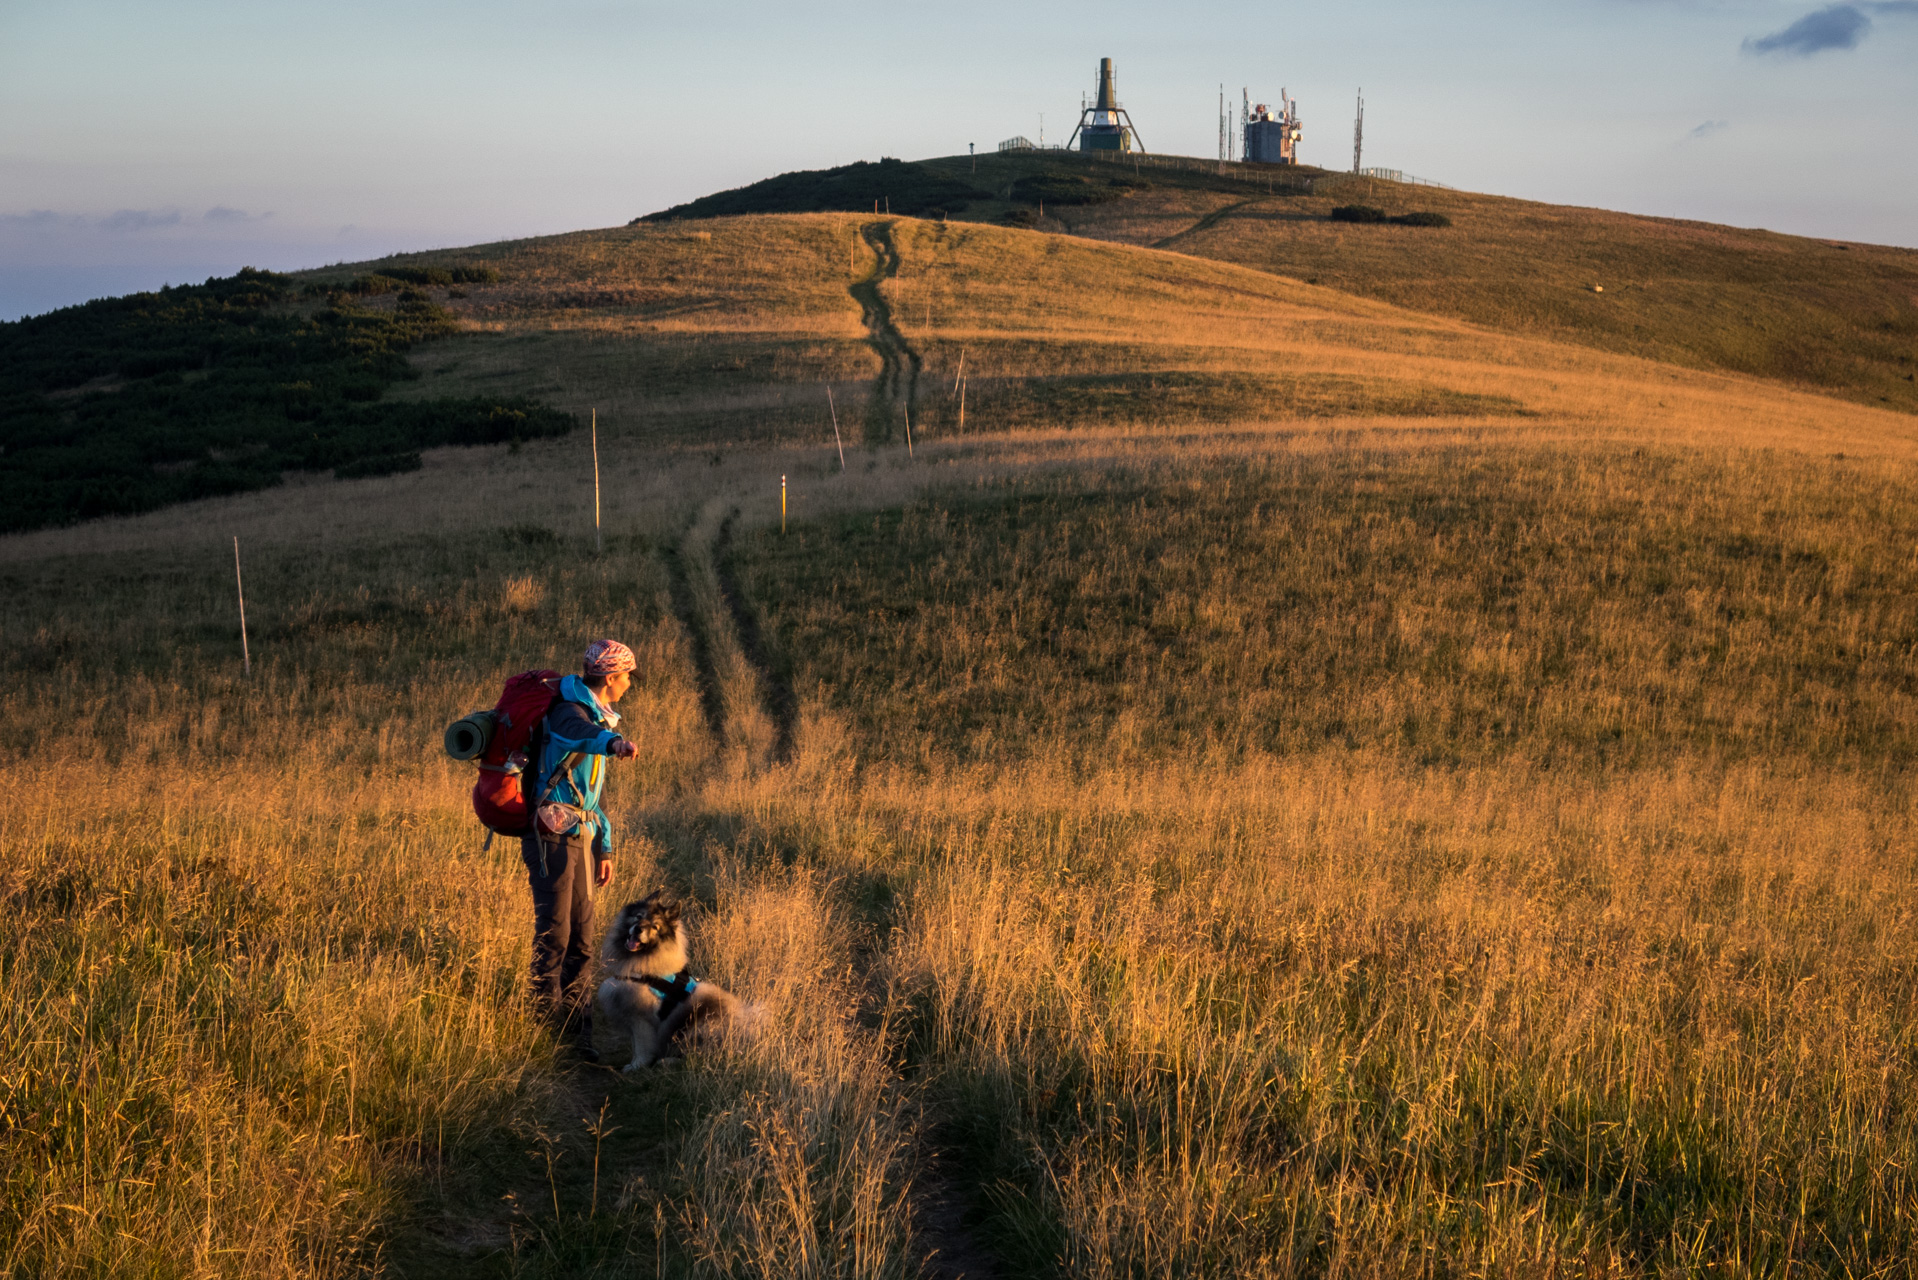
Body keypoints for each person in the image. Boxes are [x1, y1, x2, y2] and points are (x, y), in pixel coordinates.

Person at [523, 638, 641, 1060]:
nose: (629, 683)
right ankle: (546, 1033)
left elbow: (590, 794)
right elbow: (579, 736)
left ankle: (578, 1037)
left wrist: (604, 848)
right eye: (627, 676)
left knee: (583, 940)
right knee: (555, 934)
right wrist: (612, 743)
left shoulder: (597, 715)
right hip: (549, 836)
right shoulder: (569, 712)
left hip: (580, 836)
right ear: (610, 677)